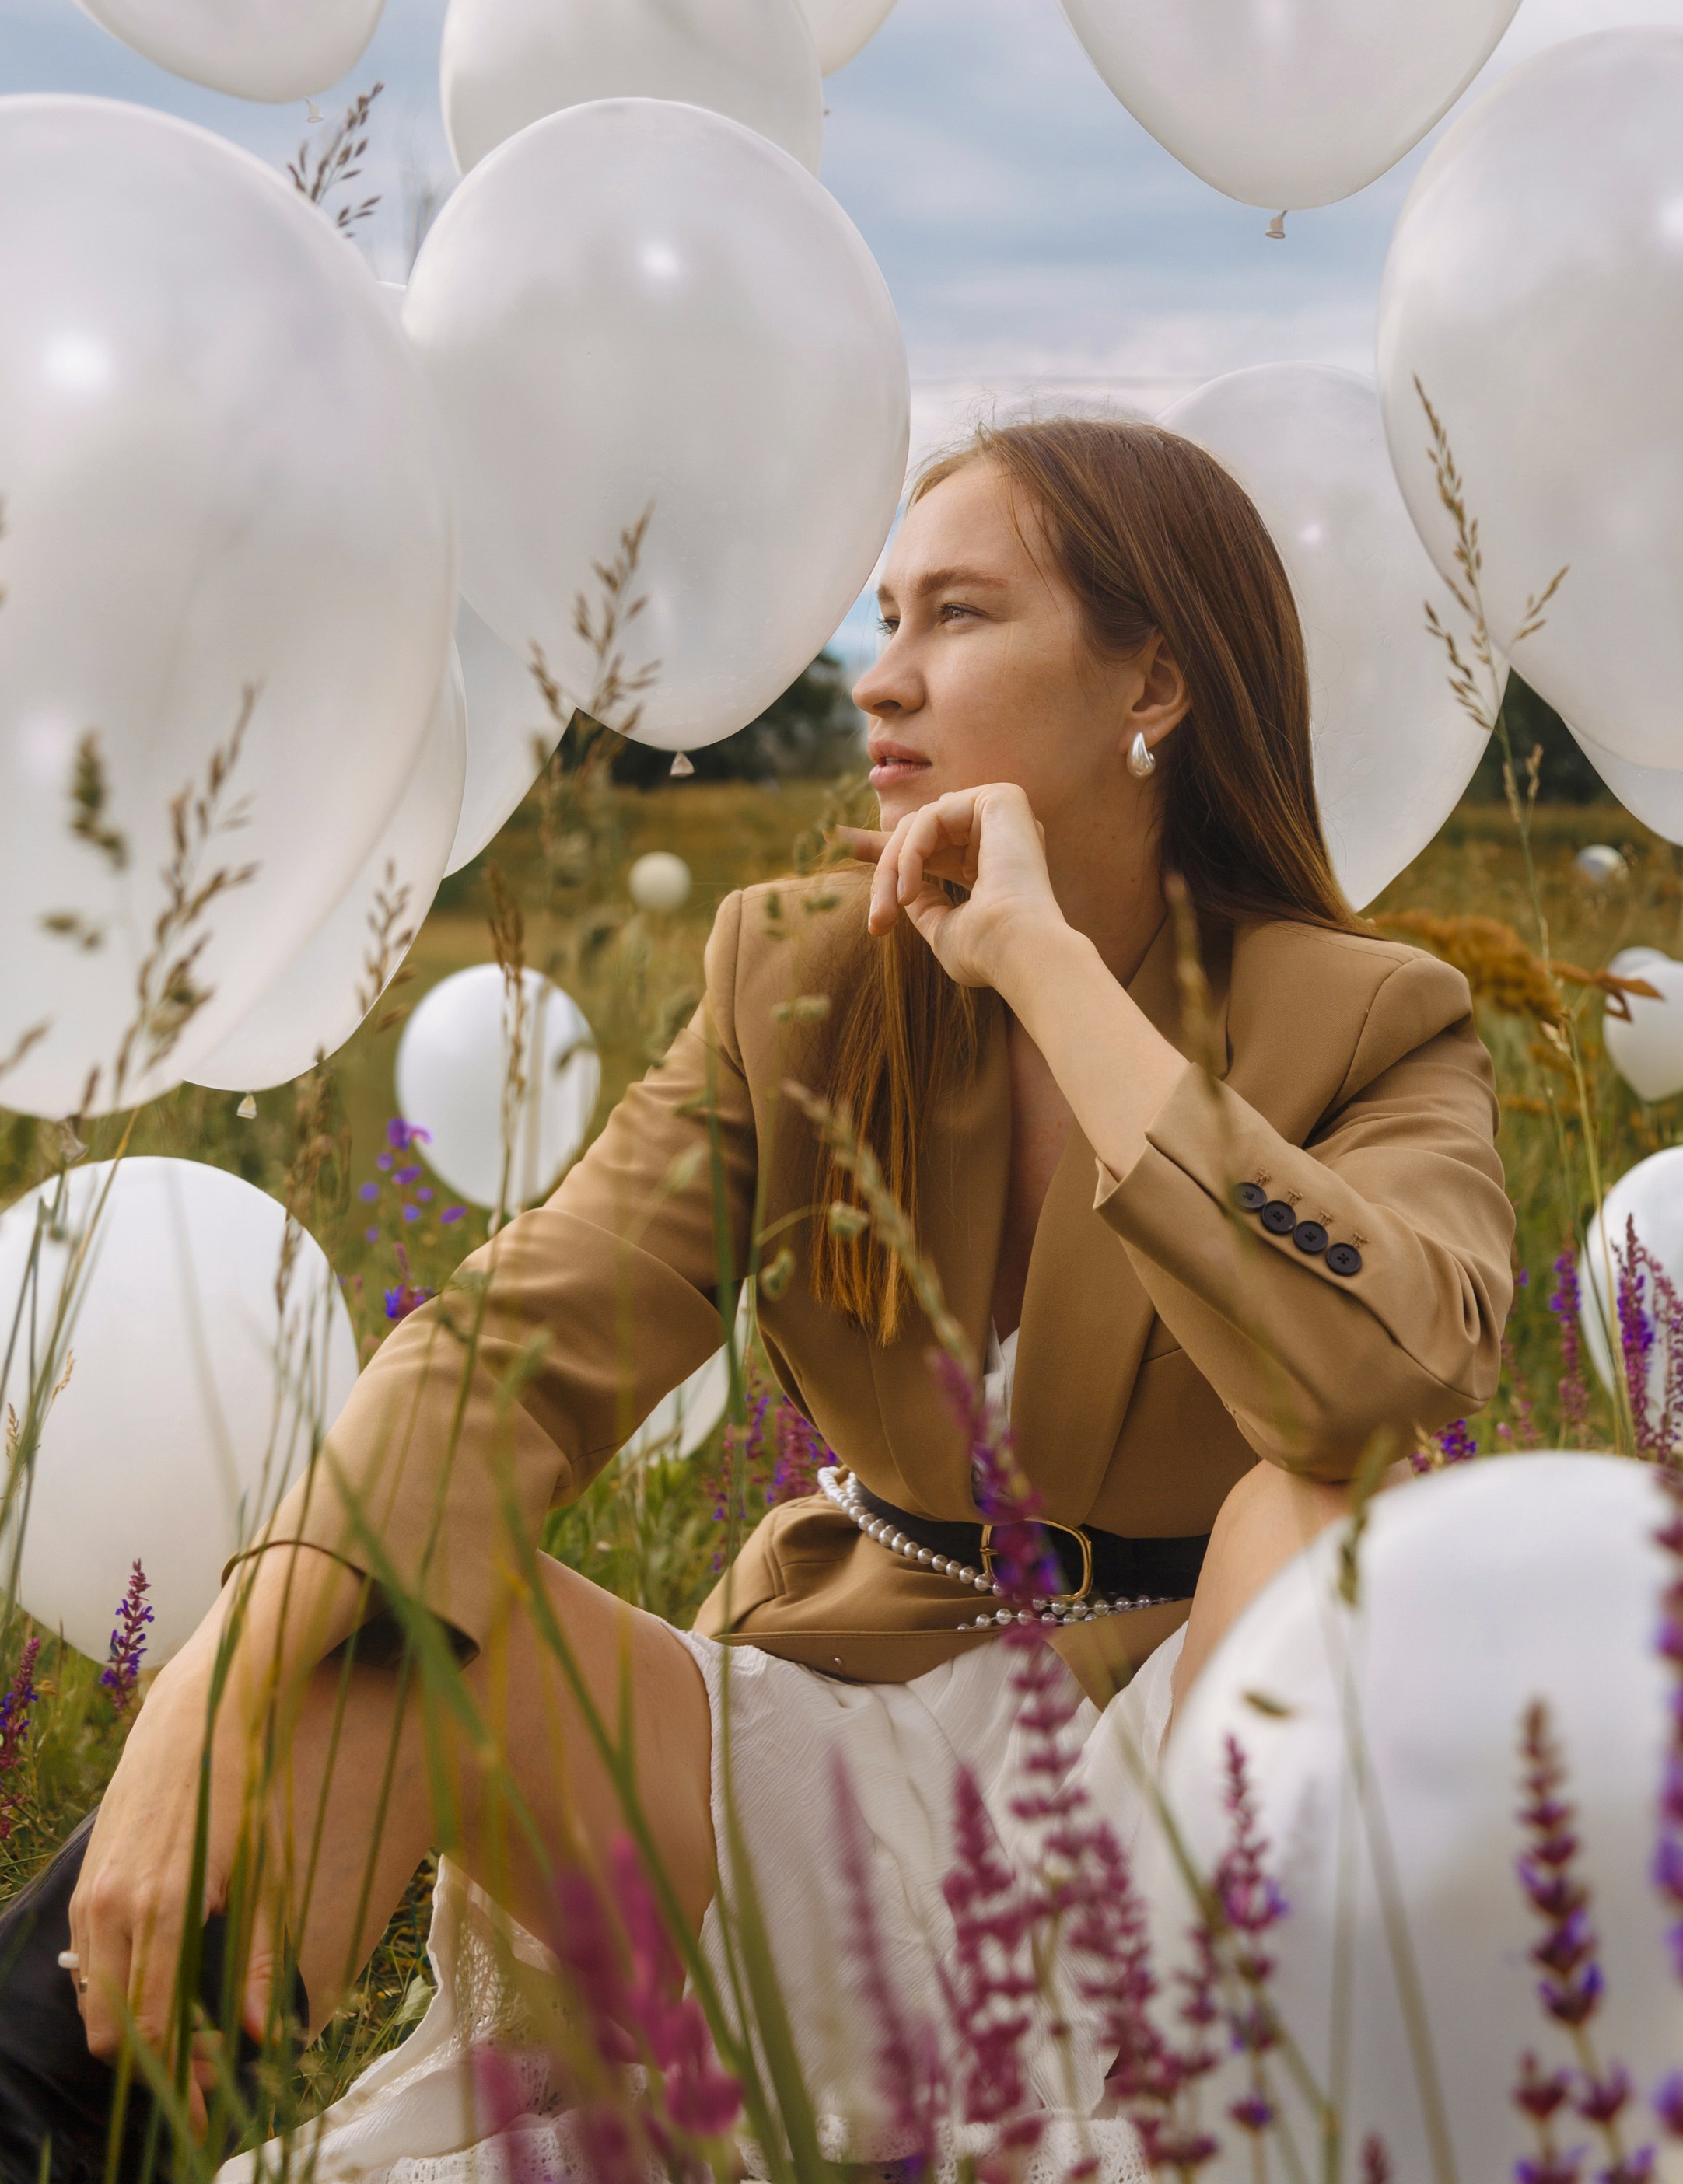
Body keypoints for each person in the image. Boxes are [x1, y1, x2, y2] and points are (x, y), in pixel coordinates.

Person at [4, 417, 1511, 2177]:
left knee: (1316, 1513)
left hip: (1182, 1800)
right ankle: (47, 2115)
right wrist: (213, 1680)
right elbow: (517, 1344)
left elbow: (1364, 1379)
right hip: (833, 1759)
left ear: (1152, 683)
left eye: (958, 615)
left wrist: (1047, 973)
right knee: (394, 1627)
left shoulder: (1373, 1020)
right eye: (887, 616)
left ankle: (1194, 2129)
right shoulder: (802, 972)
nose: (881, 679)